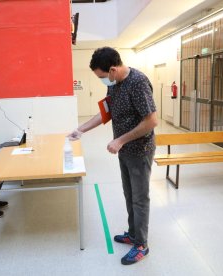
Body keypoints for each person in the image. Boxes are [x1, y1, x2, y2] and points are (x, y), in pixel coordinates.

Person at [68, 47, 157, 265]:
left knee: (140, 197)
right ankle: (133, 234)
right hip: (125, 150)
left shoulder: (138, 83)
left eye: (101, 77)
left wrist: (120, 140)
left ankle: (141, 245)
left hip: (140, 150)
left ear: (113, 70)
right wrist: (81, 129)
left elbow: (151, 121)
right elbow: (105, 112)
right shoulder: (115, 85)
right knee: (129, 194)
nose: (101, 81)